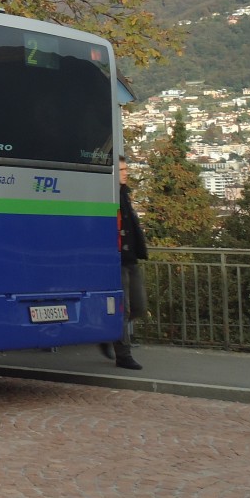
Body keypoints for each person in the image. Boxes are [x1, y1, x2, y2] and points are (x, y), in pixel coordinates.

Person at [101, 155, 148, 370]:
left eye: (126, 169)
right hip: (117, 260)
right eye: (121, 170)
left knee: (139, 307)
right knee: (124, 310)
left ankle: (107, 333)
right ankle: (123, 355)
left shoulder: (125, 194)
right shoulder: (110, 196)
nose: (125, 173)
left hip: (131, 258)